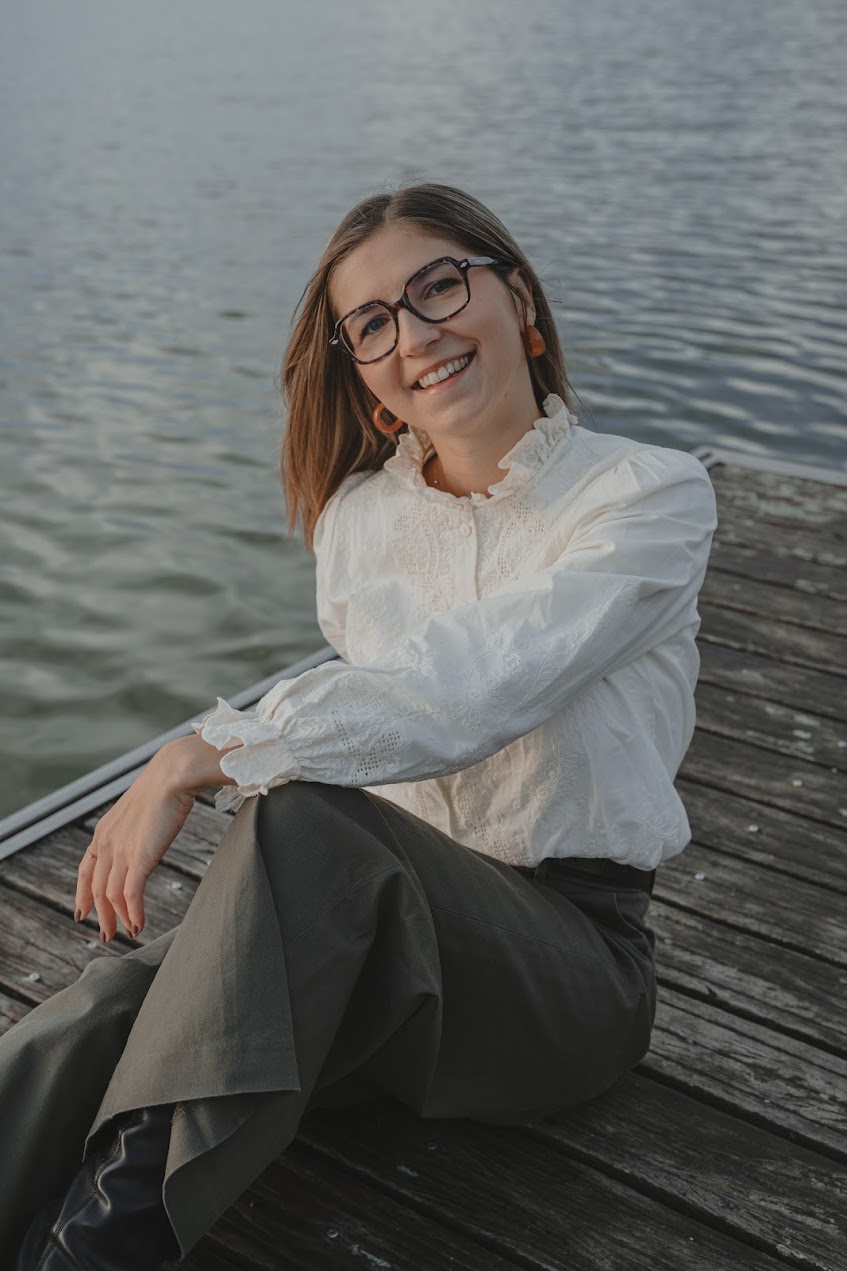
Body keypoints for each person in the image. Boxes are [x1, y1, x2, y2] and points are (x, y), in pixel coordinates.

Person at [2, 182, 718, 1268]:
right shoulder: (359, 523)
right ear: (362, 375)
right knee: (115, 1006)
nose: (417, 332)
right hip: (384, 946)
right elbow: (379, 736)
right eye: (374, 322)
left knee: (302, 819)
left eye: (440, 284)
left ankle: (99, 1250)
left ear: (515, 294)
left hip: (566, 973)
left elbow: (477, 681)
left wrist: (204, 749)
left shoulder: (648, 496)